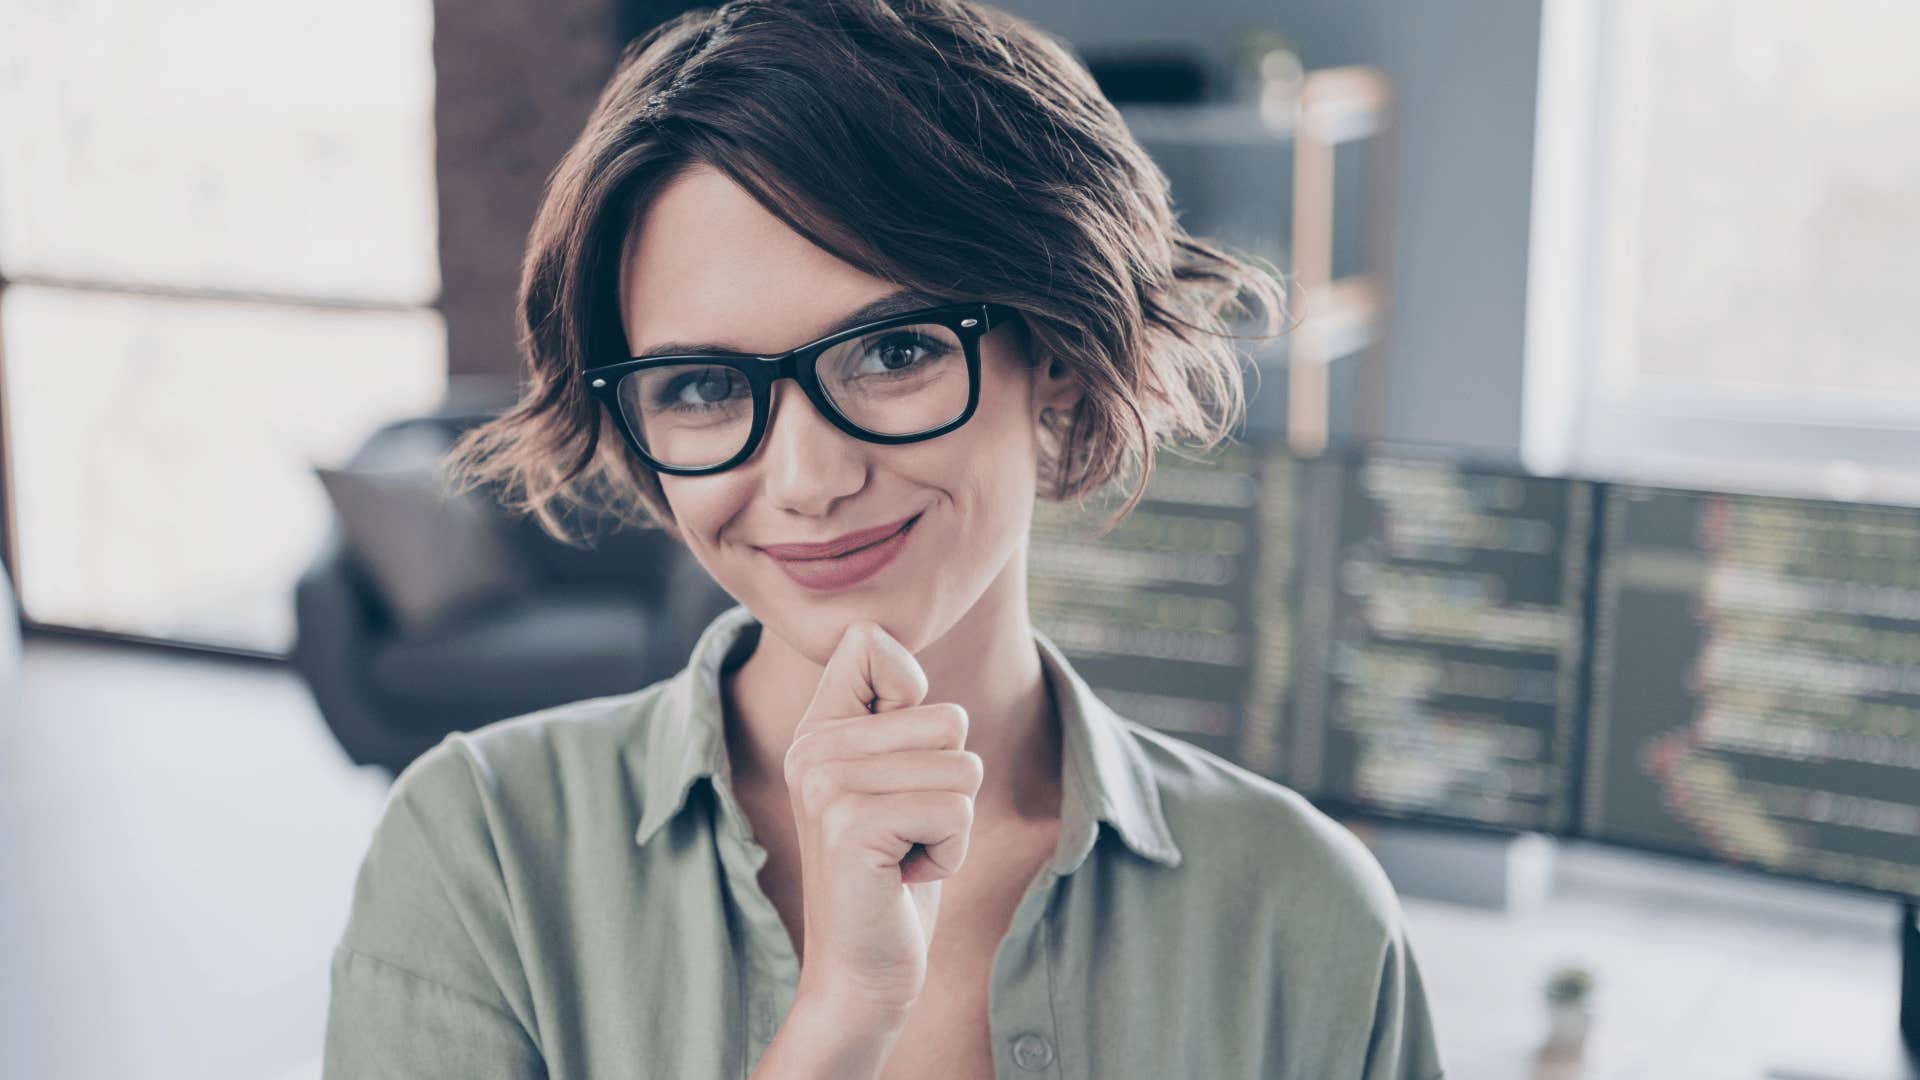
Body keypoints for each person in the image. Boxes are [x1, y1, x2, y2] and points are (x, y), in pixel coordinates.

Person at [321, 1, 1447, 1077]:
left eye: (894, 353)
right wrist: (843, 1021)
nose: (811, 481)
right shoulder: (483, 858)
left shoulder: (1305, 915)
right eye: (705, 385)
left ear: (1051, 348)